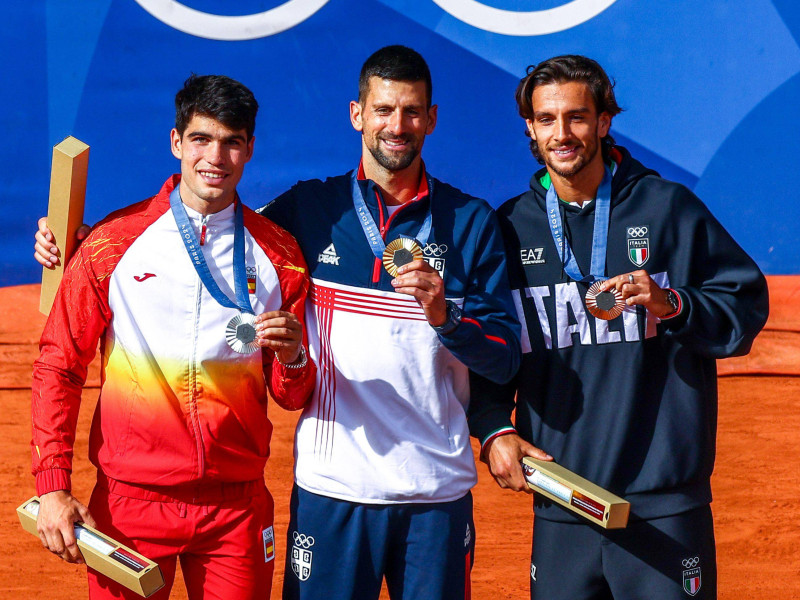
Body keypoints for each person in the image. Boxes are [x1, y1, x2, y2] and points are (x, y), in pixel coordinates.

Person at [35, 46, 521, 599]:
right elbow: (66, 356)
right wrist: (78, 245)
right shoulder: (288, 218)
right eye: (383, 108)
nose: (397, 124)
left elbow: (498, 358)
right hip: (210, 497)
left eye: (412, 111)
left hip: (341, 498)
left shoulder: (452, 224)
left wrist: (304, 355)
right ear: (357, 114)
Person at [467, 55, 769, 600]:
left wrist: (672, 302)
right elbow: (492, 345)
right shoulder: (509, 227)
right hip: (562, 495)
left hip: (664, 505)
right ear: (531, 129)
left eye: (578, 117)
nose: (563, 134)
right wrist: (492, 428)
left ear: (604, 121)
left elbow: (744, 306)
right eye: (547, 120)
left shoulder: (667, 209)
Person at [32, 74, 316, 600]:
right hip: (130, 505)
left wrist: (295, 357)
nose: (216, 156)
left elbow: (292, 394)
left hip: (236, 509)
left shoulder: (279, 254)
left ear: (250, 148)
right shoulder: (112, 244)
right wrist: (52, 485)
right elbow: (59, 364)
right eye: (202, 139)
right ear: (176, 142)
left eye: (232, 141)